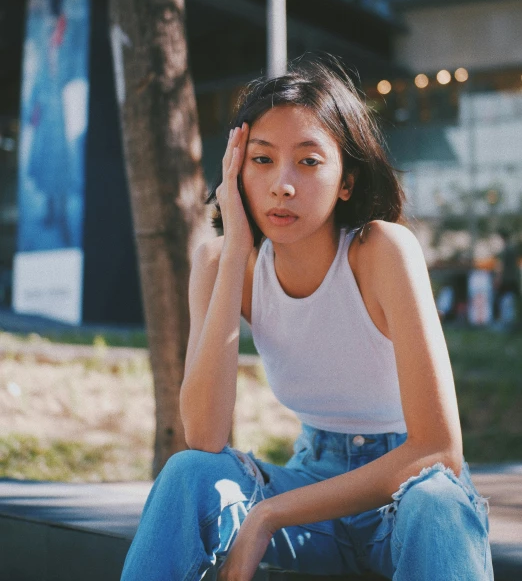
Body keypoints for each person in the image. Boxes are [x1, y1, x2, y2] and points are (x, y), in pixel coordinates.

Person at [121, 55, 492, 581]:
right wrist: (233, 254)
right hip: (313, 481)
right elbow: (204, 435)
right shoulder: (220, 263)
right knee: (188, 474)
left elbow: (438, 450)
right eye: (263, 160)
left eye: (309, 162)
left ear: (346, 180)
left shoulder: (382, 251)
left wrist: (268, 515)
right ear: (236, 169)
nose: (282, 185)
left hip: (404, 496)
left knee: (437, 502)